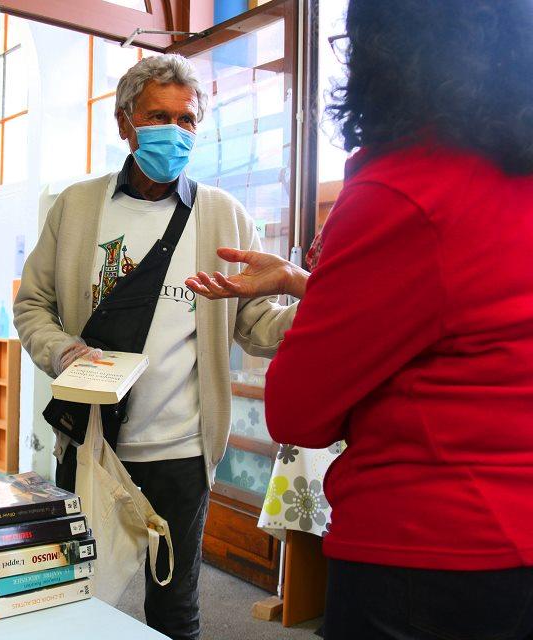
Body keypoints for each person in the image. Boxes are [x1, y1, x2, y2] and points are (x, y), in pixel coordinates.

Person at [193, 1, 533, 637]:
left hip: (428, 551)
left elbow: (297, 410)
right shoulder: (508, 176)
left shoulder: (406, 190)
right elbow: (451, 314)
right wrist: (303, 282)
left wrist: (312, 300)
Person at [13, 54, 305, 640]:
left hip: (182, 452)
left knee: (176, 609)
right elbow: (32, 305)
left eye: (188, 119)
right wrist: (64, 351)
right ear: (125, 123)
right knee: (76, 597)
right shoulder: (77, 207)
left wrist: (310, 298)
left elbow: (256, 326)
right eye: (157, 115)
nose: (175, 131)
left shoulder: (224, 215)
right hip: (92, 442)